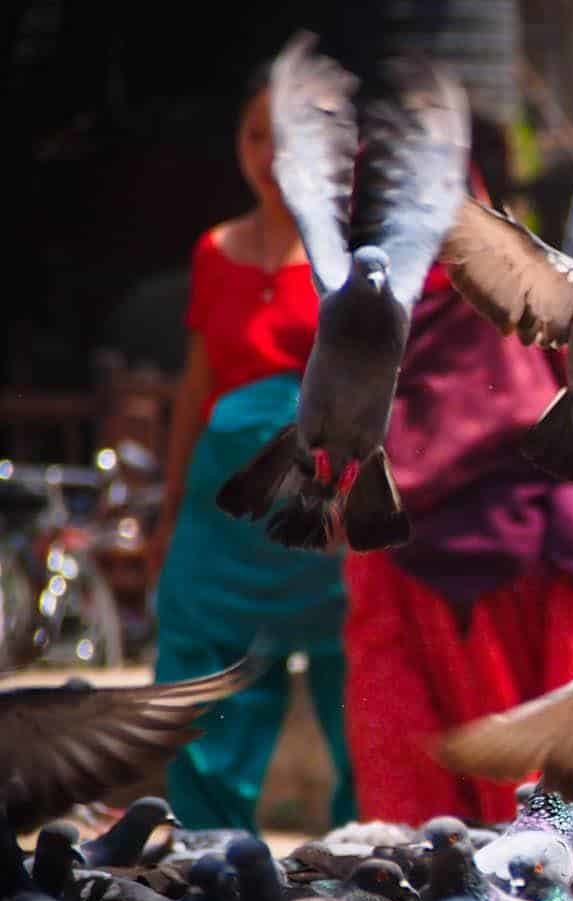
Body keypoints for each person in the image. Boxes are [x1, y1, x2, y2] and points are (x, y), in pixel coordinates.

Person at [341, 164, 573, 829]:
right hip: (508, 554)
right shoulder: (512, 283)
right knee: (529, 788)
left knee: (423, 793)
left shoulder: (368, 301)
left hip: (470, 562)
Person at [148, 66, 355, 832]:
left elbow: (372, 387)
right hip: (219, 504)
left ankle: (368, 855)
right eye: (255, 135)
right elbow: (195, 385)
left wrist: (352, 496)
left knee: (351, 677)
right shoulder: (214, 250)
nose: (269, 153)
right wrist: (168, 508)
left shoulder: (348, 260)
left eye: (289, 136)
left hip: (319, 499)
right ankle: (210, 850)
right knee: (197, 670)